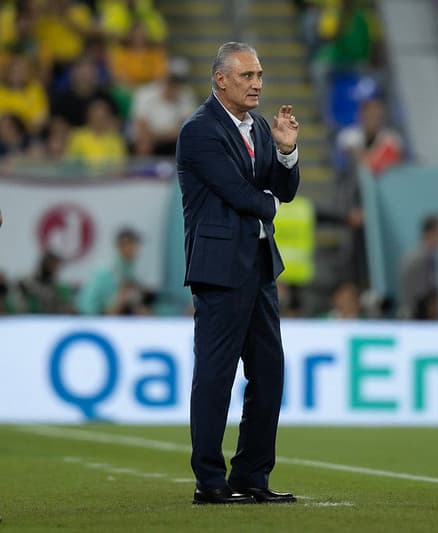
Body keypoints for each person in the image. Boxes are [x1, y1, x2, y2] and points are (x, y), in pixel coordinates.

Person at [176, 42, 300, 506]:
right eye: (247, 76)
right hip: (220, 268)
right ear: (220, 80)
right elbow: (241, 193)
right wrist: (269, 200)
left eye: (260, 75)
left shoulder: (263, 128)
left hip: (260, 266)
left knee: (269, 373)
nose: (257, 83)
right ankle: (209, 480)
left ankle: (251, 475)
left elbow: (281, 186)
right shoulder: (199, 131)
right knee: (216, 375)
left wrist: (286, 153)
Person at [76, 227, 152, 315]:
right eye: (132, 244)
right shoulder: (107, 270)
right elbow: (89, 306)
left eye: (136, 245)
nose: (136, 249)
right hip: (93, 319)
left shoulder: (129, 269)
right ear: (121, 245)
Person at [398, 214, 438, 319]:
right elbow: (420, 292)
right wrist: (431, 305)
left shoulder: (429, 255)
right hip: (417, 312)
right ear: (431, 232)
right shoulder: (420, 257)